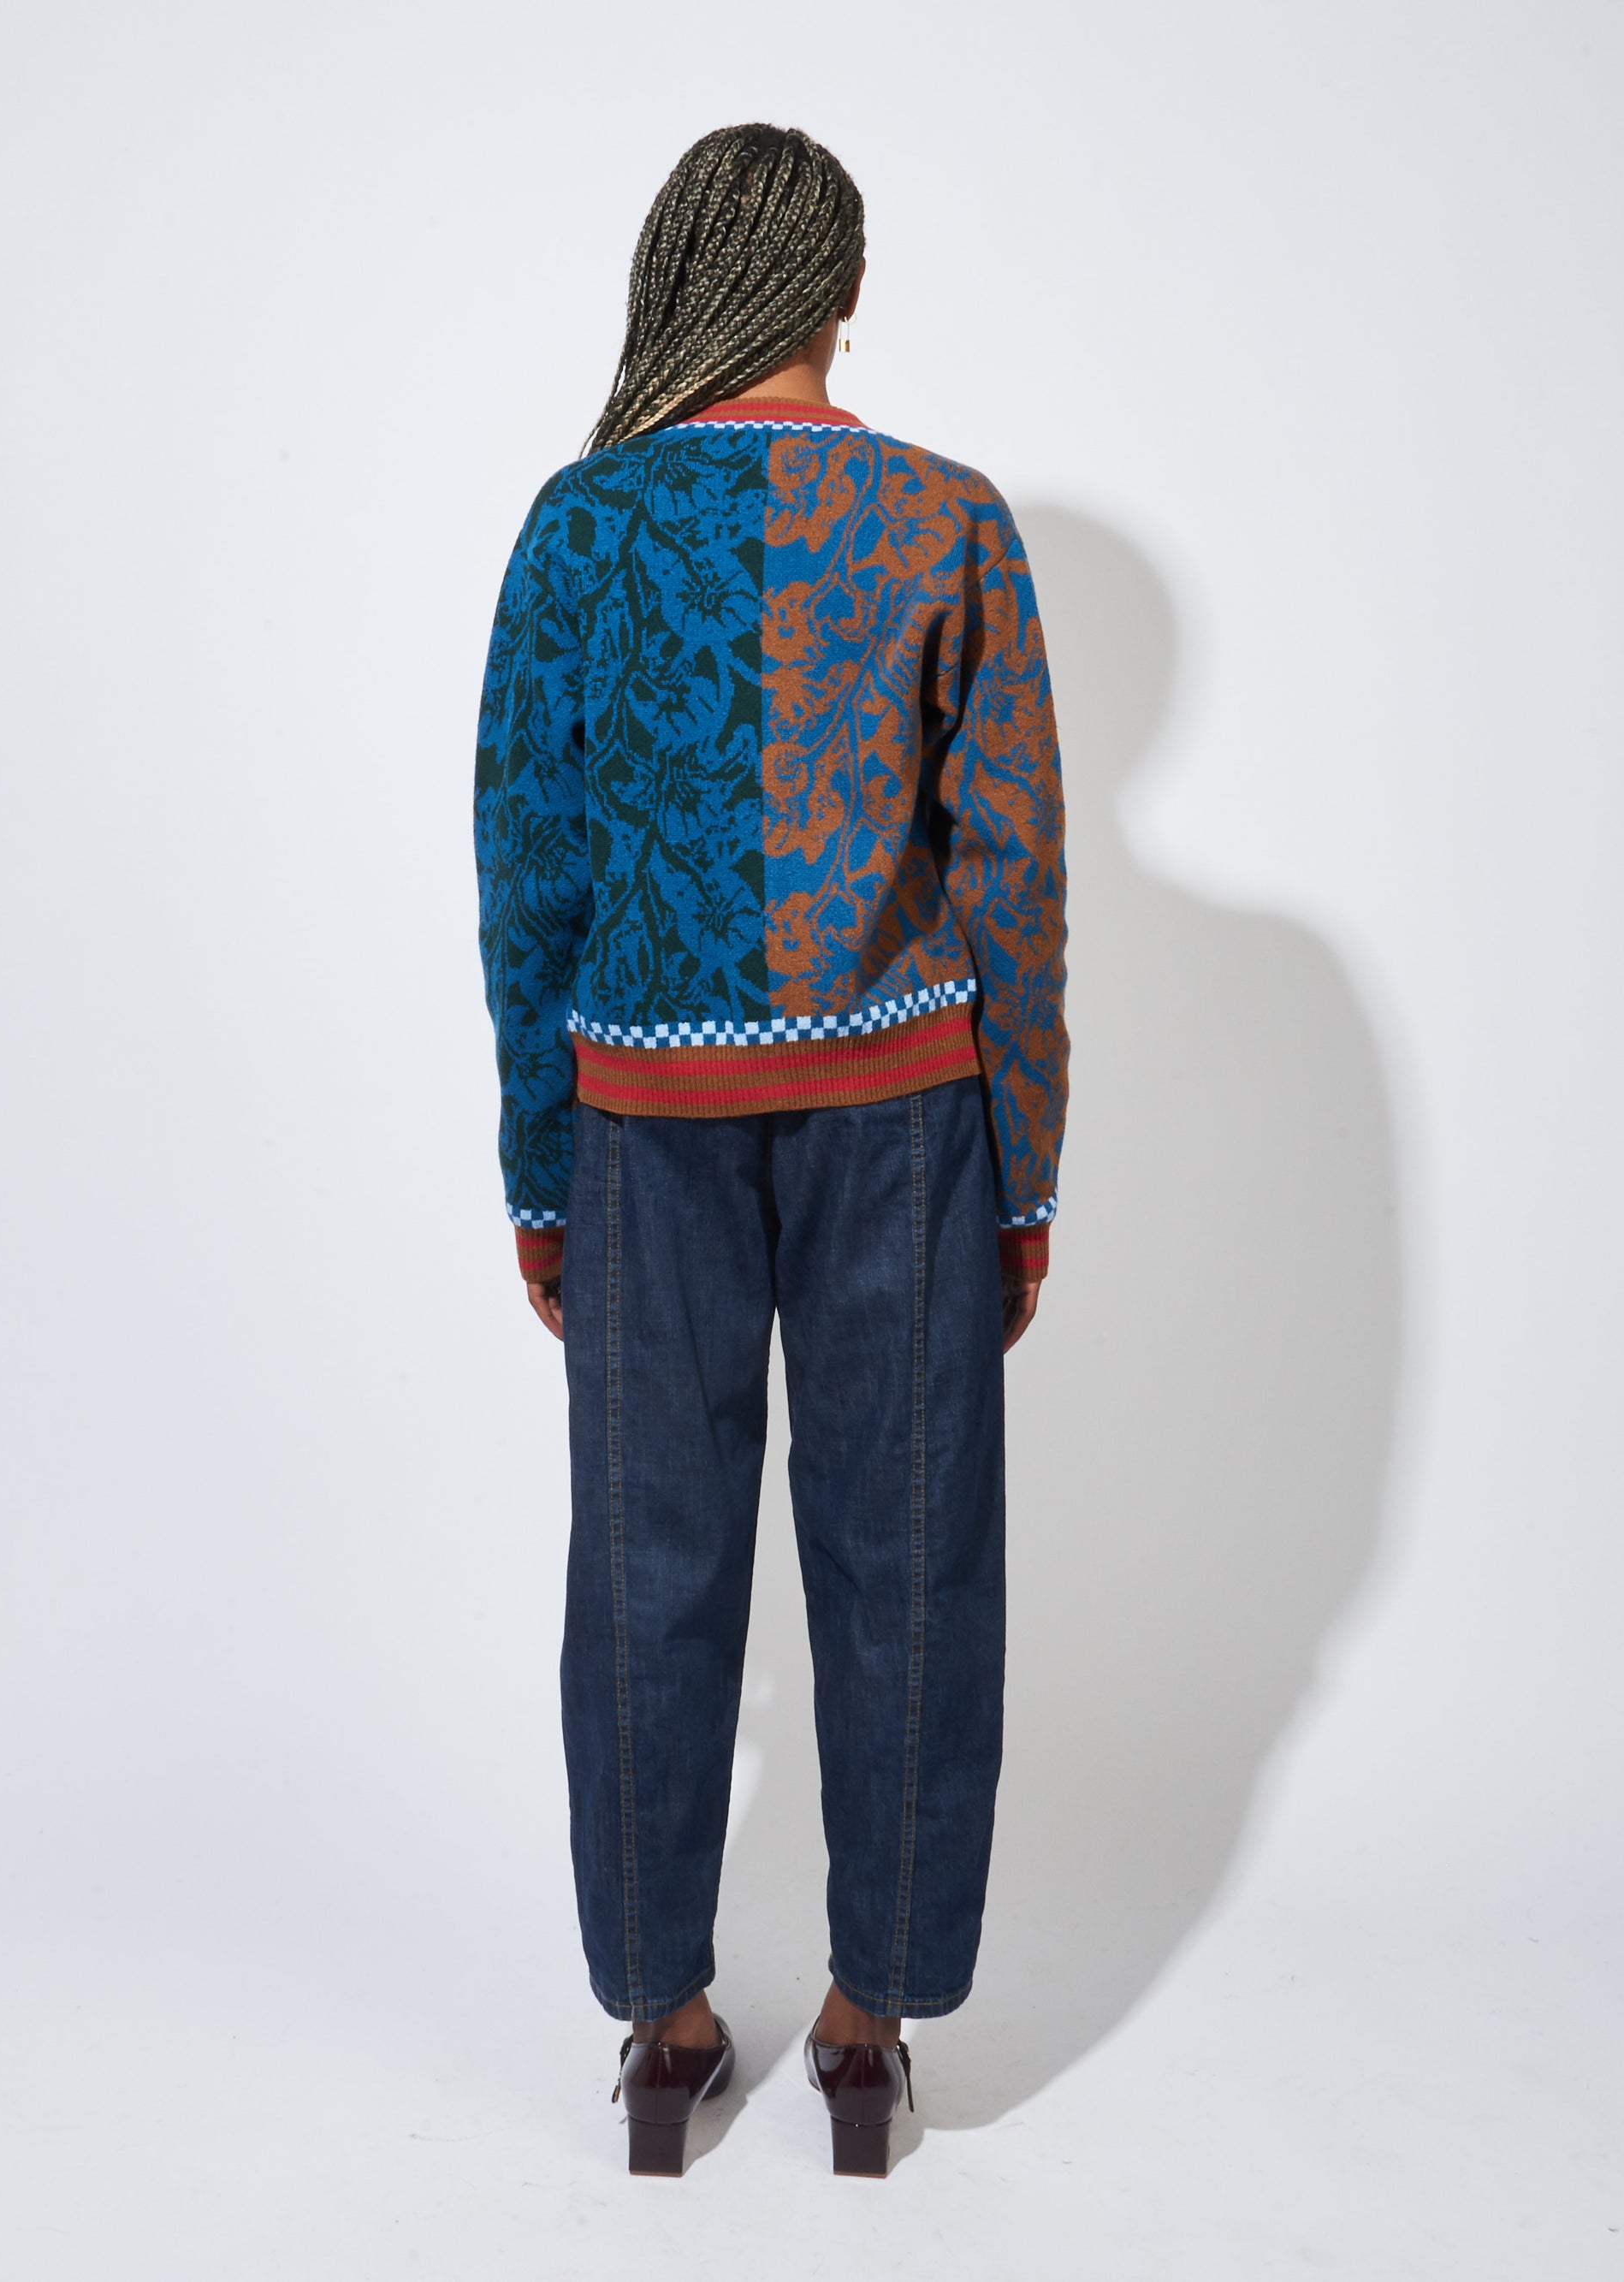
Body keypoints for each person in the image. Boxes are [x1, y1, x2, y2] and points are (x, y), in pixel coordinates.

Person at [473, 122, 1068, 2178]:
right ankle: (868, 2025)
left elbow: (529, 871)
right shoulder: (950, 519)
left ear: (676, 275)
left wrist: (539, 1169)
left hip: (643, 1123)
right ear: (844, 294)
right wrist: (1023, 1174)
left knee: (646, 1557)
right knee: (906, 1547)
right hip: (904, 1117)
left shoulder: (580, 526)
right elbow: (1014, 877)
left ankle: (661, 2024)